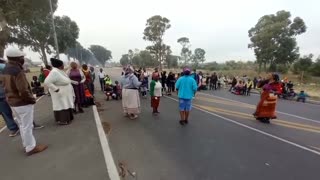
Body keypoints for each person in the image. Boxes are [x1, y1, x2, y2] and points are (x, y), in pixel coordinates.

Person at [1, 48, 47, 155]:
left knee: (22, 125)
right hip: (22, 102)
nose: (23, 59)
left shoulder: (5, 69)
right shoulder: (17, 71)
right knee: (27, 125)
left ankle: (26, 144)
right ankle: (31, 148)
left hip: (12, 102)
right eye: (22, 57)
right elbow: (23, 90)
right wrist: (31, 100)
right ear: (17, 58)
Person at [45, 58, 75, 125]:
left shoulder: (59, 71)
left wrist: (73, 82)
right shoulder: (54, 72)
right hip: (59, 93)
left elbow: (66, 80)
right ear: (59, 65)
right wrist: (56, 89)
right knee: (62, 106)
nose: (63, 66)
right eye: (62, 65)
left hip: (65, 93)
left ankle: (68, 118)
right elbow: (47, 82)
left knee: (66, 105)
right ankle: (63, 120)